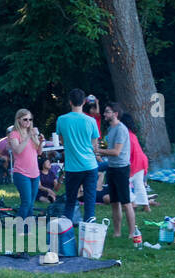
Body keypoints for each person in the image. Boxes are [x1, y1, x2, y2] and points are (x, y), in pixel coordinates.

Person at [56, 88, 99, 226]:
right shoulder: (91, 121)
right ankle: (89, 232)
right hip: (90, 166)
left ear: (70, 102)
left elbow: (62, 141)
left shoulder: (61, 120)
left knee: (70, 200)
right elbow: (94, 146)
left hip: (72, 167)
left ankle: (65, 232)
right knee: (90, 200)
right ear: (85, 102)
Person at [103, 103, 139, 243]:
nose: (105, 114)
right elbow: (110, 148)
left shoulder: (121, 129)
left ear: (115, 113)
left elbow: (116, 152)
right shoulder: (110, 129)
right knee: (114, 202)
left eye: (107, 112)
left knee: (126, 202)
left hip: (121, 169)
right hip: (111, 168)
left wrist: (99, 151)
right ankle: (117, 232)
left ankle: (132, 233)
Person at [8, 109, 43, 220]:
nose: (28, 122)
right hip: (21, 172)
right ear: (18, 120)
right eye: (25, 119)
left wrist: (41, 142)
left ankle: (27, 229)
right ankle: (19, 228)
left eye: (30, 119)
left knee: (31, 203)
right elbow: (18, 150)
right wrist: (28, 136)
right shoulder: (14, 134)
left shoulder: (32, 133)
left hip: (35, 173)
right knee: (26, 202)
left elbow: (39, 152)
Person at [121, 112, 151, 213]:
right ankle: (146, 206)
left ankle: (132, 202)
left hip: (134, 161)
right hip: (141, 160)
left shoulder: (125, 134)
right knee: (139, 184)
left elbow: (127, 151)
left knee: (124, 183)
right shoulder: (132, 133)